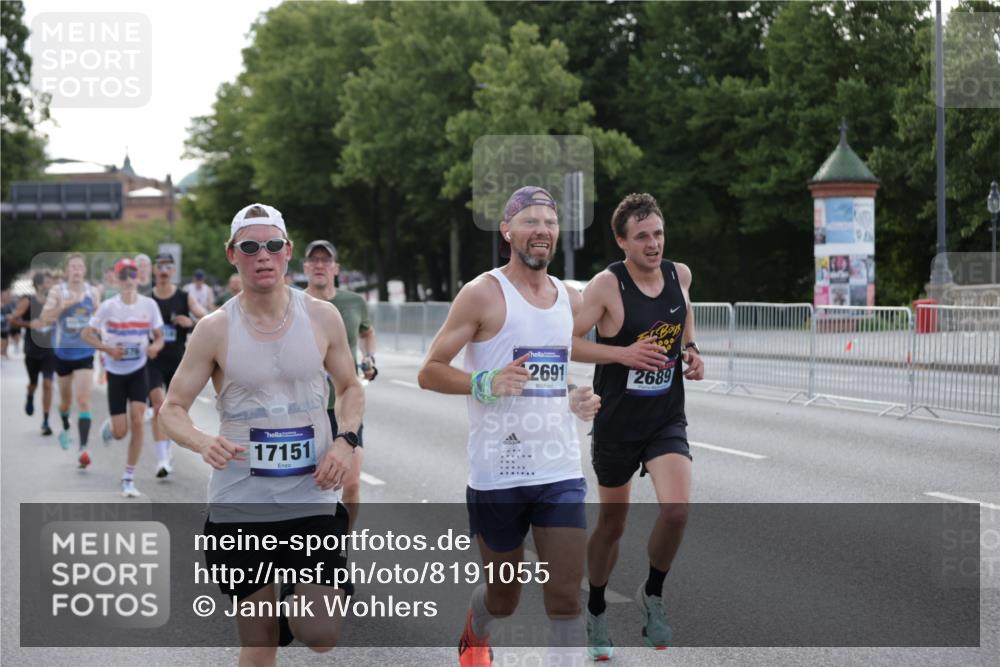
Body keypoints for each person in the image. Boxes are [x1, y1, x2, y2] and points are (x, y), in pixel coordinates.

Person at [159, 203, 364, 663]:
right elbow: (171, 410)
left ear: (288, 251)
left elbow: (350, 388)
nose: (263, 255)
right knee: (258, 642)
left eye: (272, 245)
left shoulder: (322, 317)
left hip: (310, 498)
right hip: (240, 507)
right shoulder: (213, 330)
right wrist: (201, 440)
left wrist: (344, 439)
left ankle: (298, 586)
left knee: (321, 632)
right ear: (233, 255)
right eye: (250, 247)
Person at [418, 186, 601, 667]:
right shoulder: (482, 294)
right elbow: (430, 370)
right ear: (507, 231)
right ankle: (476, 631)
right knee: (505, 599)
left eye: (549, 222)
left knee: (565, 599)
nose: (541, 231)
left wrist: (577, 397)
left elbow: (555, 373)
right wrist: (486, 381)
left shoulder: (571, 298)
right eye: (530, 221)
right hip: (499, 473)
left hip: (558, 470)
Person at [571, 192, 705, 658]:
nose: (654, 244)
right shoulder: (606, 286)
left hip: (665, 416)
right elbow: (567, 342)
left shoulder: (678, 274)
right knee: (613, 524)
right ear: (622, 241)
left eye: (659, 233)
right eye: (643, 236)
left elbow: (683, 316)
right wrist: (621, 353)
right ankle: (596, 610)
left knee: (676, 511)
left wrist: (691, 351)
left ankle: (653, 595)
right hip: (617, 423)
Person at [302, 239, 376, 530]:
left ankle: (340, 546)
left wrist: (369, 357)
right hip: (307, 409)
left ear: (336, 267)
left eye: (325, 260)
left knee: (351, 483)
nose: (319, 265)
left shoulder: (353, 302)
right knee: (310, 487)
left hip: (346, 405)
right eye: (314, 260)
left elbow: (368, 332)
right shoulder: (293, 304)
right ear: (305, 267)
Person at [83, 258, 164, 495]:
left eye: (133, 275)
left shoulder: (149, 305)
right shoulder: (108, 307)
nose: (129, 279)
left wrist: (155, 347)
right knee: (121, 433)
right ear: (117, 280)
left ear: (138, 278)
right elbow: (87, 335)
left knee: (138, 421)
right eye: (124, 275)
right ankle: (112, 427)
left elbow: (158, 336)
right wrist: (109, 350)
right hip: (115, 373)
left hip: (139, 369)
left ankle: (128, 477)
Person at [143, 252, 207, 478]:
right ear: (154, 269)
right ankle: (162, 459)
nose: (163, 270)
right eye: (159, 265)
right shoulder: (147, 298)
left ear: (172, 271)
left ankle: (168, 450)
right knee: (159, 404)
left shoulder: (183, 296)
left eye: (167, 266)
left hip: (179, 361)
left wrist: (190, 322)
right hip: (152, 360)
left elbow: (206, 318)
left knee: (177, 412)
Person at [41, 253, 102, 459]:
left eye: (79, 267)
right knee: (66, 403)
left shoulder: (92, 292)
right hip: (63, 354)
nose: (76, 270)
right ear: (68, 271)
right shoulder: (58, 292)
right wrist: (64, 306)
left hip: (85, 352)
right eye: (73, 267)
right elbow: (45, 318)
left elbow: (100, 319)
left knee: (84, 400)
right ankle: (66, 426)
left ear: (84, 271)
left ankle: (83, 448)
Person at [10, 272, 57, 435]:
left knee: (47, 384)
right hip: (32, 351)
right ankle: (30, 395)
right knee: (34, 384)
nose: (51, 285)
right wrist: (30, 324)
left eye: (52, 282)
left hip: (49, 350)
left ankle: (45, 421)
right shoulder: (27, 301)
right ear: (38, 285)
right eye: (48, 282)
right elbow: (13, 320)